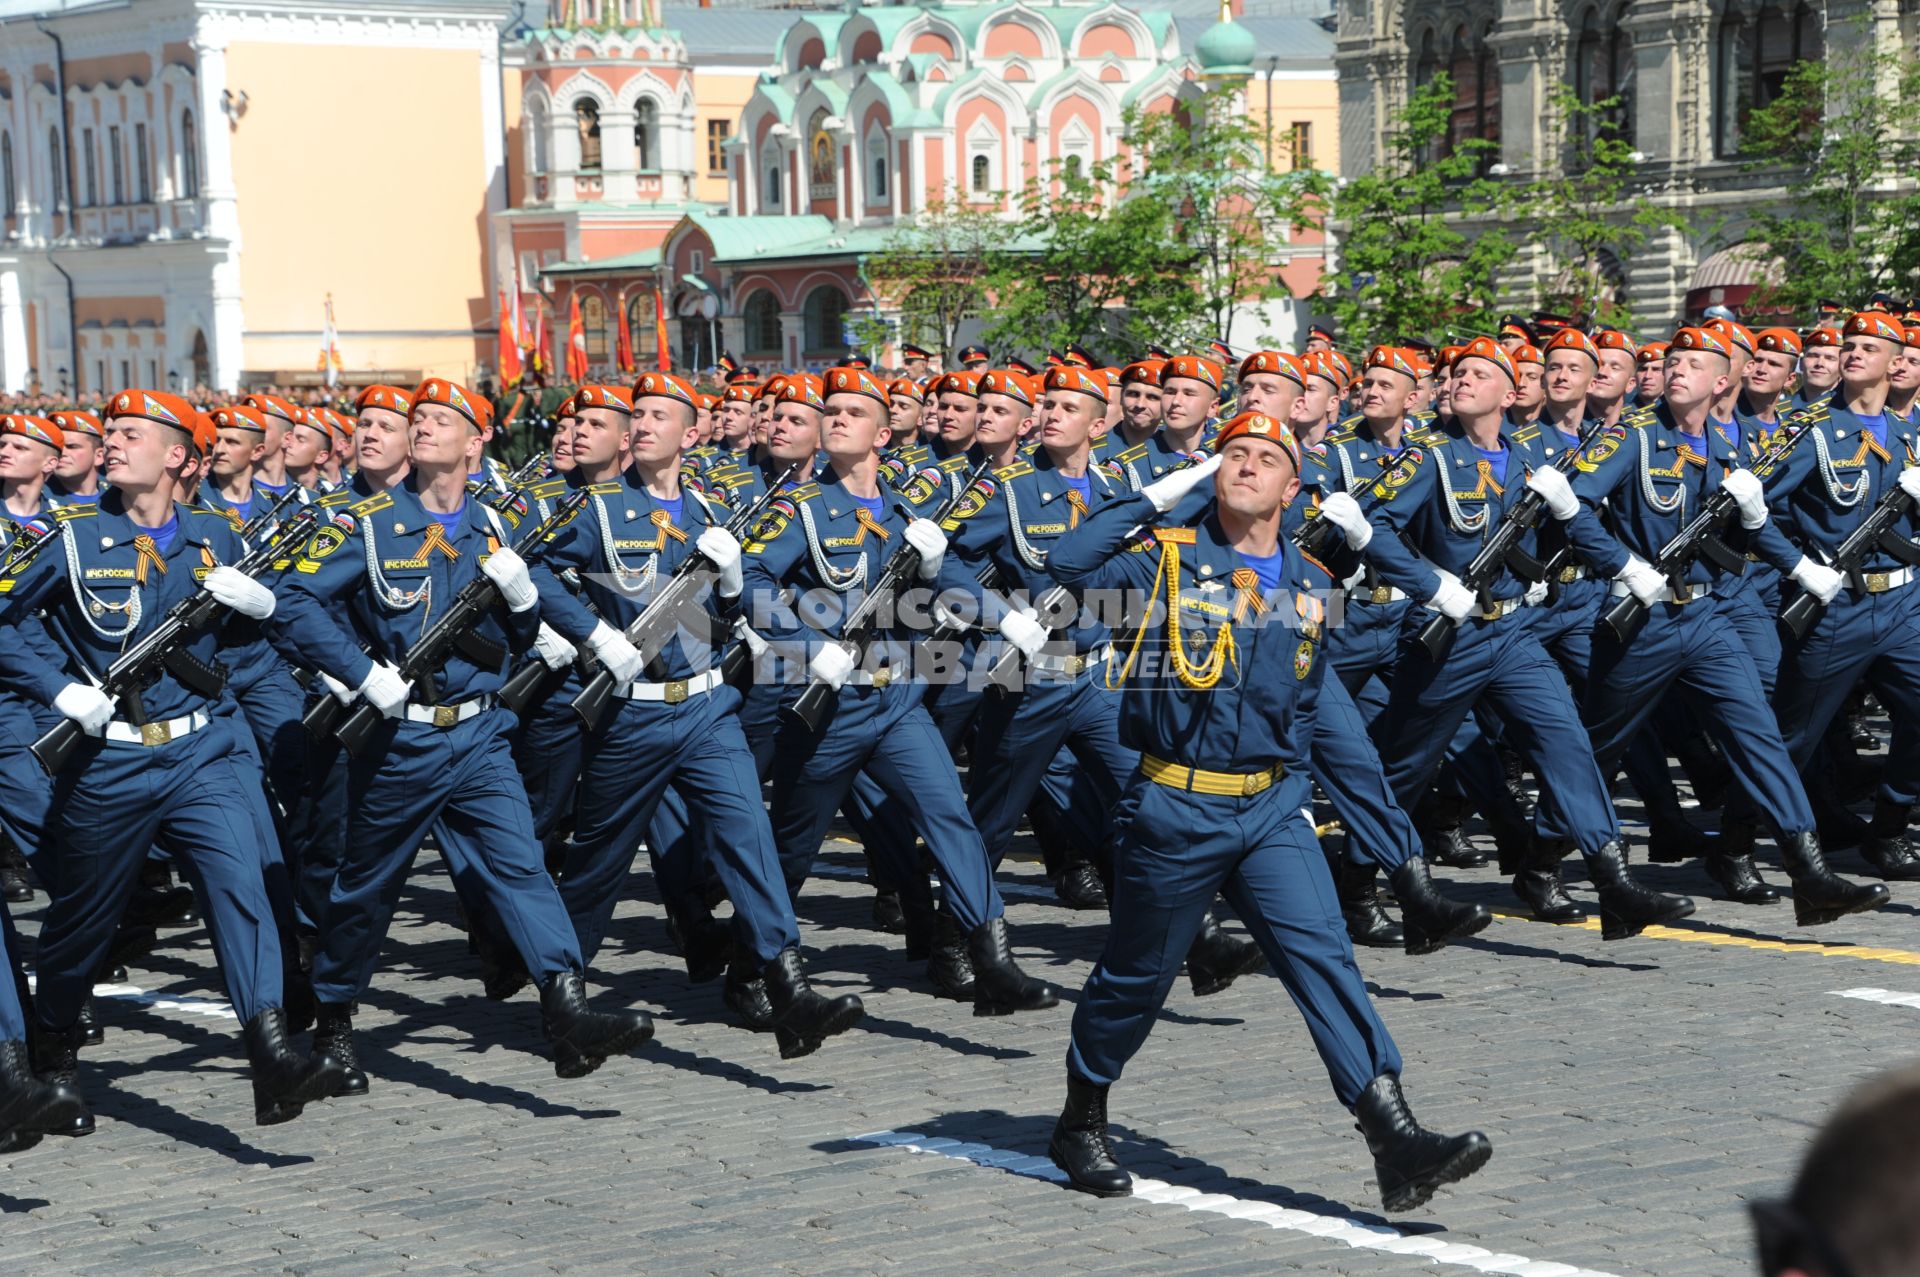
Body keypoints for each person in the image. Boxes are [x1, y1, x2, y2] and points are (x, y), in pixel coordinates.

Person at [1042, 410, 1491, 1212]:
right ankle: (1082, 1116)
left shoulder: (1312, 584)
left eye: (1265, 458)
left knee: (1326, 958)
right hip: (1177, 803)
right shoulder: (1166, 564)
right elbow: (1066, 557)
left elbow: (1307, 704)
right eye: (1233, 454)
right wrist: (1154, 495)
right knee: (1138, 978)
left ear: (1294, 486)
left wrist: (1328, 802)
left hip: (1273, 806)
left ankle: (1394, 1137)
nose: (1245, 466)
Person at [266, 377, 654, 1087]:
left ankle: (567, 1006)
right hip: (399, 738)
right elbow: (293, 600)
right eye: (419, 418)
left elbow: (516, 636)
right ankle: (335, 1021)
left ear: (475, 443)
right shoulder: (371, 521)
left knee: (520, 866)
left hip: (479, 735)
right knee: (367, 888)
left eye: (443, 419)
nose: (424, 427)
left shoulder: (496, 526)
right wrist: (358, 671)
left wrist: (524, 599)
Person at [0, 389, 344, 1128]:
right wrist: (59, 688)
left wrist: (263, 607)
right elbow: (6, 623)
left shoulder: (222, 535)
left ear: (178, 455)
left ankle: (272, 1052)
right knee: (82, 922)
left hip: (200, 748)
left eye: (131, 434)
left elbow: (276, 630)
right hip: (107, 763)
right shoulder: (70, 537)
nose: (112, 443)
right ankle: (54, 1044)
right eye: (111, 433)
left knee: (238, 883)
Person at [530, 376, 864, 1059]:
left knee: (749, 838)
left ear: (693, 433)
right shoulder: (595, 508)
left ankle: (788, 987)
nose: (646, 424)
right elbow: (528, 571)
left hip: (711, 704)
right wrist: (594, 634)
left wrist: (787, 629)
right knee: (597, 864)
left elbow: (746, 606)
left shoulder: (717, 506)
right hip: (633, 715)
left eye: (661, 415)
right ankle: (564, 997)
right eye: (638, 415)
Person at [1531, 326, 1889, 926]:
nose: (1676, 372)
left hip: (1708, 615)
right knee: (1599, 748)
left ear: (1721, 382)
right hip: (1641, 619)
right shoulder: (1633, 437)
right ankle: (1540, 862)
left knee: (1759, 736)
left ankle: (1809, 874)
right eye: (1672, 362)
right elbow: (1571, 508)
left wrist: (1798, 566)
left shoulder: (1727, 446)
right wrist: (1624, 565)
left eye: (1693, 365)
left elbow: (1748, 525)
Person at [739, 366, 1059, 1016]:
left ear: (883, 433)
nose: (835, 419)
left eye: (852, 412)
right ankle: (750, 968)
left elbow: (945, 582)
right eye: (830, 410)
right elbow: (749, 579)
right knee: (794, 848)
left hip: (897, 698)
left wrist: (1003, 616)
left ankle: (991, 956)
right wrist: (806, 646)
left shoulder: (909, 512)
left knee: (952, 821)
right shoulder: (802, 510)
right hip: (828, 705)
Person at [1360, 338, 1693, 936]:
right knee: (1406, 769)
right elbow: (1374, 529)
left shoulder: (1530, 457)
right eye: (1457, 372)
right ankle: (1357, 883)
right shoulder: (1428, 457)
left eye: (1479, 374)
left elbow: (1572, 521)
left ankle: (1613, 881)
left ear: (1510, 393)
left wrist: (1622, 567)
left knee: (1567, 744)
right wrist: (1429, 586)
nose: (1461, 381)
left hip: (1513, 630)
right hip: (1448, 636)